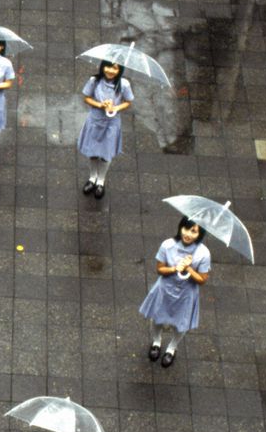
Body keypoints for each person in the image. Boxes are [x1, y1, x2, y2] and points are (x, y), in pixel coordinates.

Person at [138, 216, 211, 367]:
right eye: (186, 228)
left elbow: (202, 279)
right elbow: (159, 269)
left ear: (200, 234)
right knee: (157, 318)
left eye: (194, 231)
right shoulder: (167, 245)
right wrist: (174, 268)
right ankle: (156, 342)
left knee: (181, 324)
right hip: (165, 289)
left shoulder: (203, 253)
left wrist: (189, 268)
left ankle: (172, 348)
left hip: (186, 293)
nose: (188, 234)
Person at [78, 60, 133, 198]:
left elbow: (128, 102)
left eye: (115, 68)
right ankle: (92, 178)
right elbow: (86, 98)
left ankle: (101, 181)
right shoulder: (94, 81)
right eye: (108, 67)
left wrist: (115, 107)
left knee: (105, 155)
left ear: (119, 70)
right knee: (93, 153)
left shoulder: (124, 84)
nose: (110, 71)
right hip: (95, 122)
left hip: (111, 124)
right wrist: (100, 104)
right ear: (103, 67)